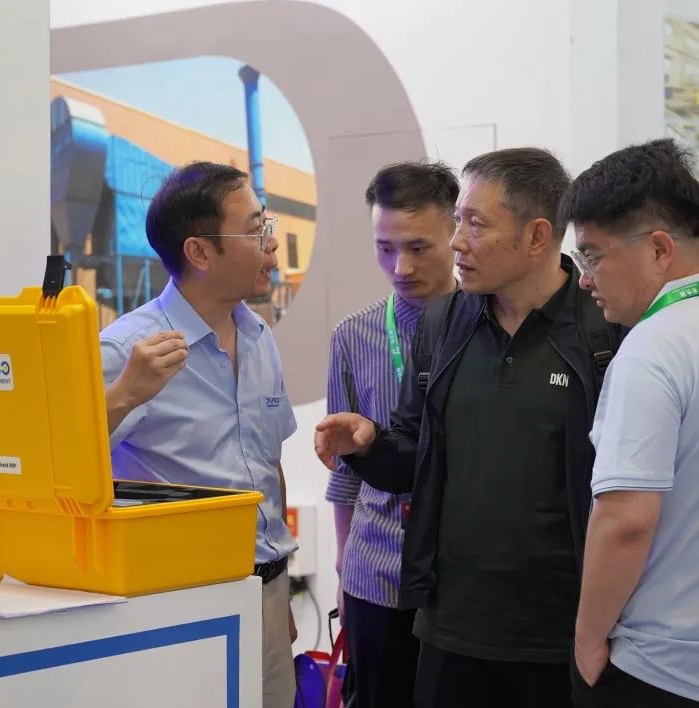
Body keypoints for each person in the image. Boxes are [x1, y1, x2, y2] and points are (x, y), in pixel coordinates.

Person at [315, 147, 622, 708]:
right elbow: (412, 458)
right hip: (451, 628)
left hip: (561, 634)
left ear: (537, 236)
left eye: (474, 224)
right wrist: (370, 443)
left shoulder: (604, 331)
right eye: (457, 222)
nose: (457, 242)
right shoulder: (443, 322)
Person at [100, 162, 298, 708]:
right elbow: (59, 470)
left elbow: (267, 466)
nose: (271, 244)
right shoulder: (126, 350)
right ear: (200, 252)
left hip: (268, 589)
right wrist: (124, 395)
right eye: (255, 229)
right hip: (182, 604)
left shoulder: (258, 336)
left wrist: (279, 593)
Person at [560, 139, 699, 707]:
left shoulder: (652, 348)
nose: (584, 279)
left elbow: (626, 521)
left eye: (592, 255)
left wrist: (587, 637)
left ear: (658, 249)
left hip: (660, 665)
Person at [325, 161, 459, 707]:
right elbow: (343, 472)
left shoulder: (487, 328)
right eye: (385, 248)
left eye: (419, 247)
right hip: (375, 576)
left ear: (456, 232)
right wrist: (343, 567)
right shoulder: (352, 336)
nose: (401, 267)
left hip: (459, 581)